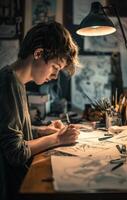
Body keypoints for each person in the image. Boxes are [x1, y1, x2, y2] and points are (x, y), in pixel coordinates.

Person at [0, 21, 80, 200]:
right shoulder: (8, 84)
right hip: (14, 189)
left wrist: (41, 131)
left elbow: (10, 131)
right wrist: (57, 138)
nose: (54, 76)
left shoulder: (17, 83)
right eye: (55, 67)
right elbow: (15, 153)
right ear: (38, 53)